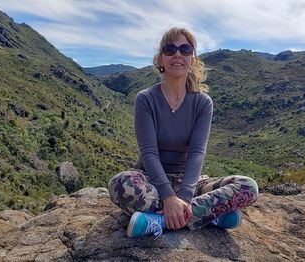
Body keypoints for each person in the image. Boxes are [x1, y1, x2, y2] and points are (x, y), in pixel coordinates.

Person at [108, 27, 259, 239]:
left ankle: (160, 220)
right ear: (160, 60)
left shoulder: (202, 102)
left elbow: (197, 152)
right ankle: (210, 216)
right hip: (151, 180)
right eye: (169, 50)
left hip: (191, 183)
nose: (177, 54)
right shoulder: (146, 99)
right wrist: (169, 197)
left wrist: (185, 198)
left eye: (185, 49)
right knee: (120, 183)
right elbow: (149, 153)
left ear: (192, 59)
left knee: (248, 186)